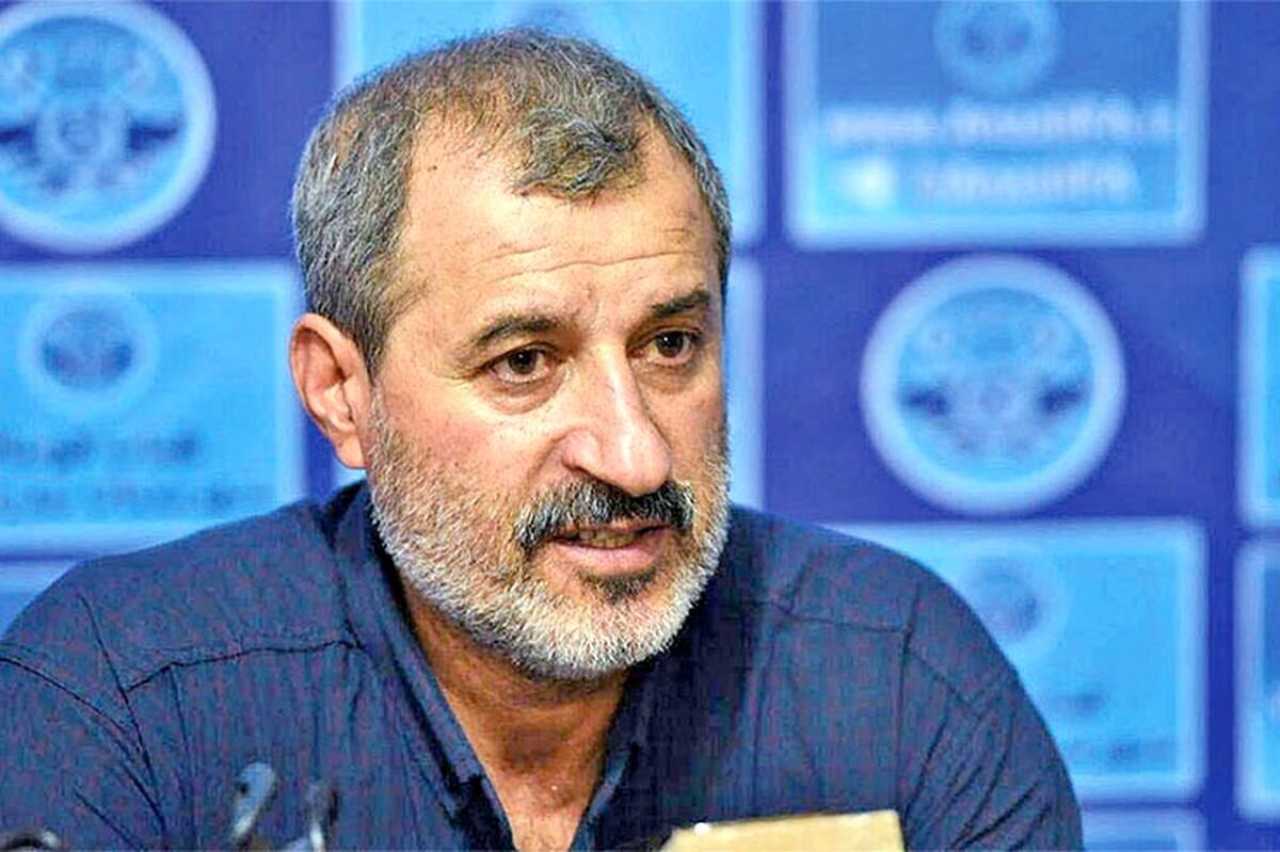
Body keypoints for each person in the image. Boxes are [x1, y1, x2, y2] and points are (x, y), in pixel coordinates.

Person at [0, 30, 1080, 850]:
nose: (633, 455)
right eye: (523, 361)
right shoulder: (127, 699)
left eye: (669, 345)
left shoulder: (895, 680)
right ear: (340, 393)